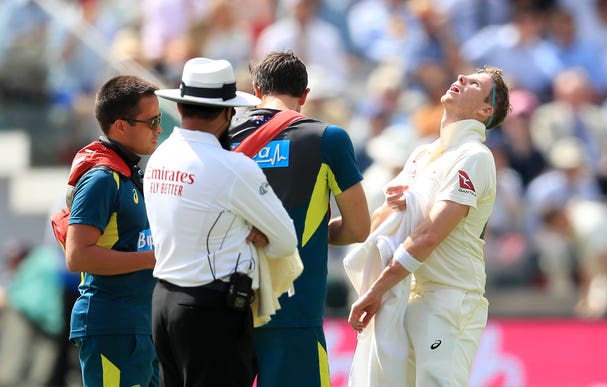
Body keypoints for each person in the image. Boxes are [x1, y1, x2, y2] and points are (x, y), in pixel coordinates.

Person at [347, 66, 511, 386]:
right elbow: (381, 218)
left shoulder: (474, 156)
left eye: (474, 83)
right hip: (408, 295)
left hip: (451, 299)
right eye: (465, 77)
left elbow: (430, 234)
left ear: (485, 110)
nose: (461, 79)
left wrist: (376, 289)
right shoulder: (424, 154)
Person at [146, 57, 299, 387]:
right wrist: (252, 231)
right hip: (210, 309)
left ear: (184, 105)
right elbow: (286, 240)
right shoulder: (232, 167)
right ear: (228, 112)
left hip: (163, 302)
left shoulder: (160, 155)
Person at [229, 51, 370, 387]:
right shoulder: (327, 138)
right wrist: (315, 232)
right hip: (294, 308)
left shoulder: (222, 137)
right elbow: (360, 228)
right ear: (305, 95)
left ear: (256, 88)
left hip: (226, 304)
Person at [64, 75, 162, 386]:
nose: (159, 128)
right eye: (152, 121)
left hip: (138, 325)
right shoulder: (101, 178)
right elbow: (77, 256)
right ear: (120, 126)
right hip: (111, 326)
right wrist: (150, 259)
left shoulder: (129, 173)